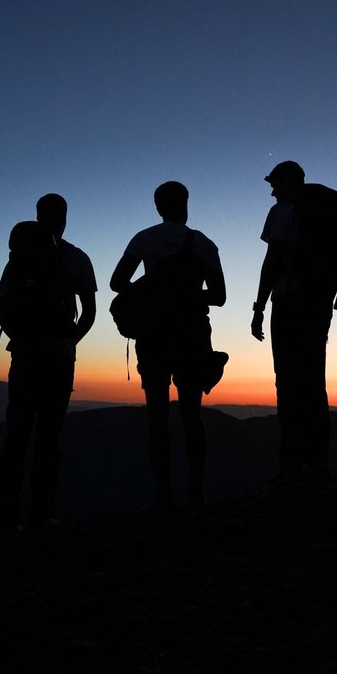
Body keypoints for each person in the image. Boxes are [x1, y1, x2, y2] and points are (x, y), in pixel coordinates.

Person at [110, 181, 226, 510]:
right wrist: (189, 295)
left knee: (157, 417)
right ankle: (197, 493)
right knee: (192, 416)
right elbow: (219, 296)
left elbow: (117, 283)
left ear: (158, 207)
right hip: (191, 334)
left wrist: (150, 292)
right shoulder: (203, 243)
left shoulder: (143, 239)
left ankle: (164, 494)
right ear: (185, 205)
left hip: (153, 335)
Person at [0, 193, 97, 531]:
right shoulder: (77, 258)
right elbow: (89, 313)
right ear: (65, 218)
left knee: (17, 433)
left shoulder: (19, 257)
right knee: (49, 437)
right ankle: (42, 513)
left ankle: (6, 514)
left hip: (24, 355)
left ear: (38, 216)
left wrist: (27, 340)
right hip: (59, 358)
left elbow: (4, 311)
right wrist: (67, 343)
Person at [252, 160, 337, 478]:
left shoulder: (286, 209)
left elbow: (272, 259)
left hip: (289, 298)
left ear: (288, 181)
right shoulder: (331, 211)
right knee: (313, 380)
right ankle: (317, 461)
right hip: (320, 300)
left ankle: (291, 465)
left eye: (274, 183)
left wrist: (258, 306)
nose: (272, 191)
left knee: (287, 381)